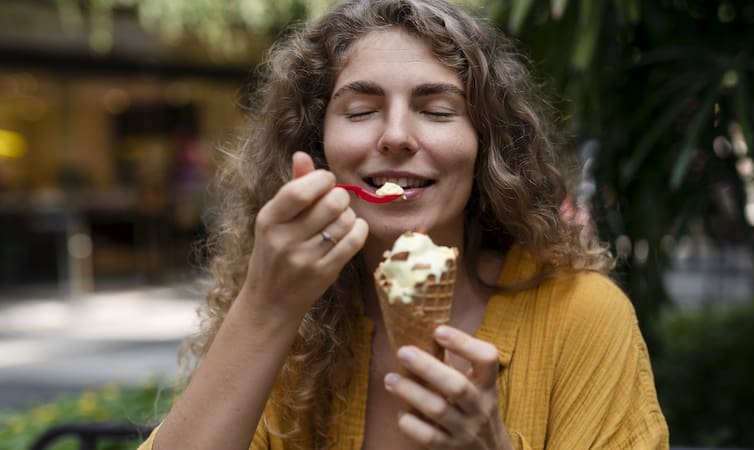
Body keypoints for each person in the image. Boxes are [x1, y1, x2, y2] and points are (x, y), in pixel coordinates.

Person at [139, 0, 668, 448]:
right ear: (317, 147)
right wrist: (265, 305)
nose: (395, 135)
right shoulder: (295, 322)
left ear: (486, 148)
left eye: (437, 111)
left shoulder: (581, 316)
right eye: (361, 110)